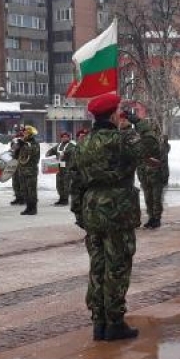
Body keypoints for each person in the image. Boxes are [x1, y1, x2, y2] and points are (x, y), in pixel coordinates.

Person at [72, 92, 142, 341]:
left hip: (92, 209)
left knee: (98, 266)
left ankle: (98, 321)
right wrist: (137, 123)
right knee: (118, 266)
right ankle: (115, 322)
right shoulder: (121, 140)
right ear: (114, 114)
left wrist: (79, 211)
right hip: (117, 209)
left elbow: (76, 181)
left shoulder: (83, 143)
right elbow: (151, 149)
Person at [137, 118, 170, 229]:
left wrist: (165, 175)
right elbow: (140, 159)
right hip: (145, 175)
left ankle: (157, 218)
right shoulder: (141, 141)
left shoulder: (160, 142)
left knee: (156, 198)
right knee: (148, 198)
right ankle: (151, 217)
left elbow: (164, 159)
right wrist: (140, 174)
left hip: (156, 175)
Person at [15, 125, 41, 216]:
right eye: (23, 132)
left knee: (31, 190)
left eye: (25, 132)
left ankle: (33, 208)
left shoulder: (34, 143)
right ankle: (28, 207)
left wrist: (23, 145)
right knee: (24, 190)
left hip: (31, 170)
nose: (24, 134)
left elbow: (32, 152)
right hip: (22, 170)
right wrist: (17, 149)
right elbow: (18, 156)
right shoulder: (24, 143)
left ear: (30, 134)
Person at [46, 132, 77, 205]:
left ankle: (65, 200)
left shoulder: (71, 145)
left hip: (67, 168)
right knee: (59, 184)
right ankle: (61, 198)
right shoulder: (59, 145)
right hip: (58, 167)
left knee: (66, 184)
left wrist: (65, 152)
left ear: (69, 138)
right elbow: (52, 150)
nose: (64, 138)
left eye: (66, 137)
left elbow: (72, 150)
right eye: (63, 137)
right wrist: (48, 153)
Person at [9, 130, 26, 206]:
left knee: (22, 182)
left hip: (22, 164)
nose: (20, 138)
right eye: (18, 136)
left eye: (21, 136)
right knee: (15, 181)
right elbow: (12, 149)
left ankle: (23, 198)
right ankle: (17, 197)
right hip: (15, 163)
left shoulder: (25, 144)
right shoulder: (14, 141)